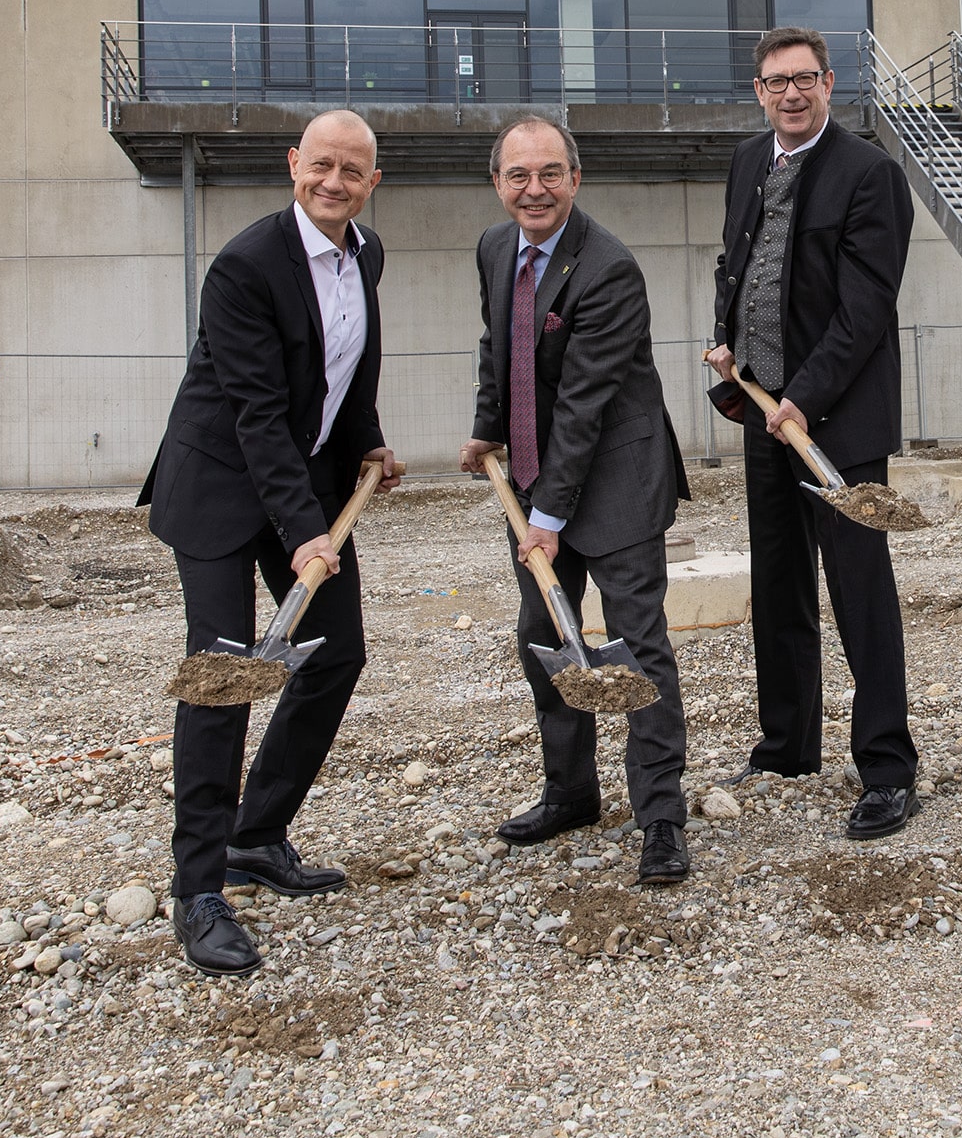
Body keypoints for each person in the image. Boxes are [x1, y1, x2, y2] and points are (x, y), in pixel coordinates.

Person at [139, 108, 405, 974]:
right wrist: (303, 535)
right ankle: (200, 887)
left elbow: (348, 368)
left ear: (373, 179)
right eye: (320, 164)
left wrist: (366, 438)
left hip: (311, 479)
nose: (334, 181)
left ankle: (257, 835)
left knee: (336, 652)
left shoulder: (365, 254)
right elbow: (256, 414)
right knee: (222, 675)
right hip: (220, 485)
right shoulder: (245, 264)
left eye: (352, 170)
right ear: (294, 164)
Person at [461, 113, 695, 886]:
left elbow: (584, 404)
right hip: (533, 476)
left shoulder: (609, 268)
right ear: (497, 182)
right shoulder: (497, 247)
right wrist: (485, 429)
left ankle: (660, 817)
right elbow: (500, 346)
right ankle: (571, 791)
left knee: (637, 647)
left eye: (550, 173)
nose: (535, 189)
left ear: (576, 177)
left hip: (618, 481)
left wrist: (547, 520)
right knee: (545, 639)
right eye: (519, 175)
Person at [705, 26, 921, 841]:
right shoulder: (748, 161)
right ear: (758, 91)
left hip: (840, 424)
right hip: (766, 413)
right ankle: (789, 742)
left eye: (804, 79)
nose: (789, 94)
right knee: (780, 582)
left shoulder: (871, 174)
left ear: (830, 83)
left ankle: (888, 767)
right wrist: (730, 344)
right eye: (773, 82)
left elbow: (866, 309)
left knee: (860, 588)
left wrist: (806, 395)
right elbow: (741, 264)